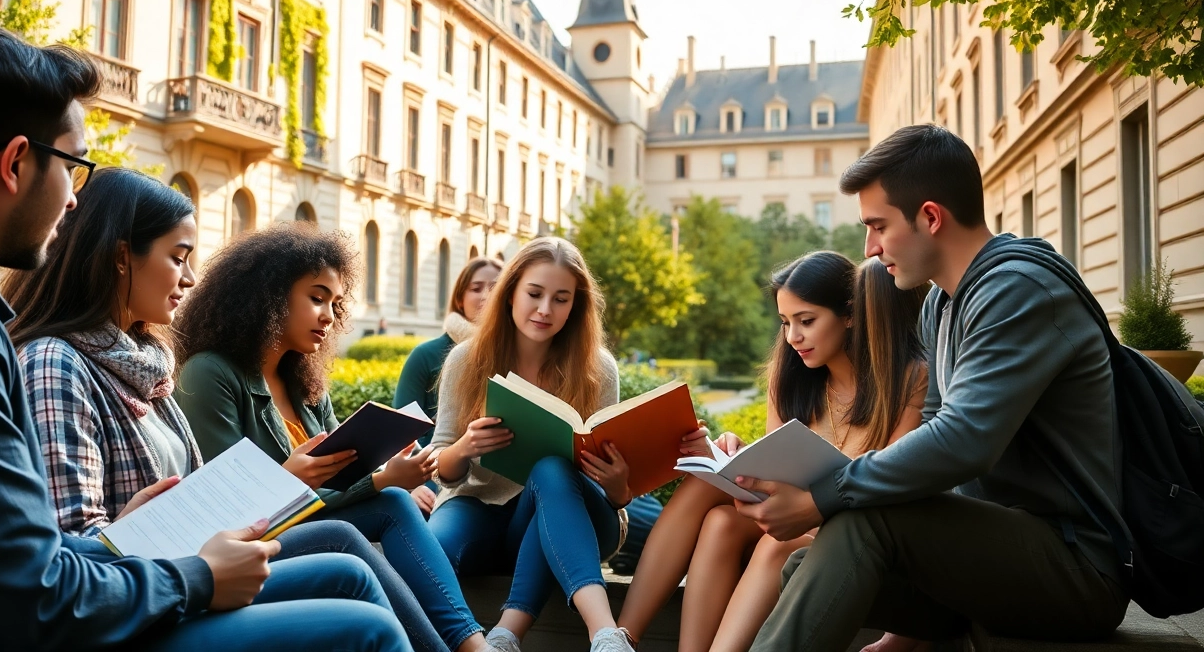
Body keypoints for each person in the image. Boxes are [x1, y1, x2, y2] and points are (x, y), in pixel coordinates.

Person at [0, 22, 406, 651]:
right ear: (15, 163)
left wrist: (123, 544)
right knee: (361, 629)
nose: (73, 201)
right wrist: (193, 579)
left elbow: (9, 550)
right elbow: (30, 599)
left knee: (344, 574)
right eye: (73, 167)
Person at [0, 167, 449, 652]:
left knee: (348, 565)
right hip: (146, 601)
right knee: (366, 612)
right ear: (122, 258)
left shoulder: (147, 362)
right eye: (178, 258)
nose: (191, 278)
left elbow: (198, 500)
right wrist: (287, 486)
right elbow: (71, 550)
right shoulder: (55, 363)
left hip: (186, 566)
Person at [742, 124, 1128, 651]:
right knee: (806, 566)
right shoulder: (941, 306)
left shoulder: (1017, 290)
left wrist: (821, 498)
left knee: (857, 524)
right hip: (992, 552)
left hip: (1076, 567)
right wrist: (904, 635)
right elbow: (931, 454)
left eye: (878, 226)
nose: (870, 248)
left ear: (929, 216)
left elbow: (962, 442)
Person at [173, 224, 489, 652]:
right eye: (316, 297)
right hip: (245, 547)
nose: (328, 315)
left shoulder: (304, 381)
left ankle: (471, 644)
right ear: (268, 293)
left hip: (309, 522)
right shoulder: (210, 372)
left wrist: (388, 470)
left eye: (335, 304)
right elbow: (228, 503)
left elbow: (340, 473)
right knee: (375, 511)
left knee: (395, 502)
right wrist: (378, 480)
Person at [617, 253, 928, 652]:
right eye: (785, 323)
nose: (793, 337)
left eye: (806, 320)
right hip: (787, 517)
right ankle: (620, 638)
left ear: (849, 315)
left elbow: (892, 486)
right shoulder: (791, 377)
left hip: (850, 532)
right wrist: (733, 457)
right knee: (715, 513)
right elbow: (775, 473)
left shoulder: (907, 379)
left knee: (768, 544)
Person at [427, 236, 709, 652]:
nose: (545, 310)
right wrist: (464, 447)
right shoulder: (466, 359)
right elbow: (443, 471)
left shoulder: (597, 367)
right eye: (534, 294)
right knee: (432, 548)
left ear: (577, 305)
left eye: (561, 299)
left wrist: (618, 484)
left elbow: (614, 498)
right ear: (510, 293)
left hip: (574, 511)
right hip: (478, 508)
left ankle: (598, 637)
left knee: (552, 469)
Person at [394, 255, 503, 514]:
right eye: (476, 288)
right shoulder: (426, 355)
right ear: (459, 298)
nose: (486, 296)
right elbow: (401, 430)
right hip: (433, 475)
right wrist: (412, 486)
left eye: (495, 288)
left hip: (496, 482)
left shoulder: (516, 355)